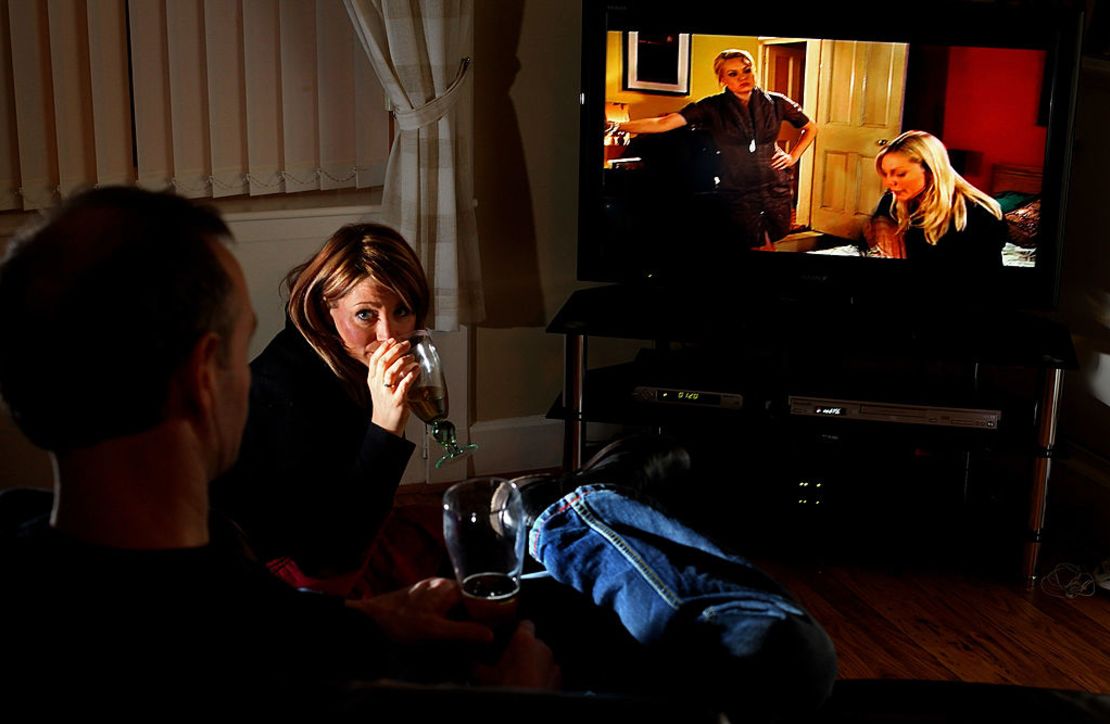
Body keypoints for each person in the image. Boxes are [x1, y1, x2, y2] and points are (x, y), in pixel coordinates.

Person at [0, 187, 557, 712]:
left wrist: (368, 619)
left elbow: (265, 613)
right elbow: (295, 598)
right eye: (241, 344)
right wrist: (513, 704)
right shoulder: (255, 661)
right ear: (202, 377)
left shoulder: (25, 529)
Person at [211, 224, 445, 597]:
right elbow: (333, 555)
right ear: (326, 308)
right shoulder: (283, 391)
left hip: (336, 536)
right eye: (366, 315)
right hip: (276, 575)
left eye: (402, 311)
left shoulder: (343, 361)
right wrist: (386, 428)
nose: (389, 336)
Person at [611, 49, 817, 249]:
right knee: (748, 241)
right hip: (737, 187)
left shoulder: (777, 102)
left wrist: (793, 157)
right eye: (732, 73)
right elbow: (663, 123)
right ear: (722, 79)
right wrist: (617, 126)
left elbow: (811, 128)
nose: (742, 77)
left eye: (747, 70)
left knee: (771, 238)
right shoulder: (711, 107)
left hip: (774, 184)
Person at [868, 130, 1006, 271]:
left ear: (930, 170)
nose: (889, 182)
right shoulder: (890, 203)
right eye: (885, 174)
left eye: (900, 174)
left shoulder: (980, 213)